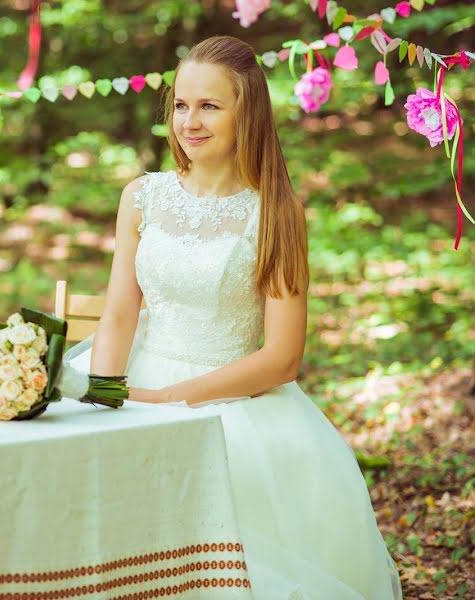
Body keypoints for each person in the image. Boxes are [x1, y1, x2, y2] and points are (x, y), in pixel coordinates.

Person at [69, 36, 402, 599]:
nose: (189, 122)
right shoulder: (142, 197)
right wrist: (106, 393)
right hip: (134, 382)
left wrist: (170, 402)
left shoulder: (275, 211)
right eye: (181, 105)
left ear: (247, 112)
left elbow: (283, 357)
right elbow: (122, 309)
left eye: (209, 106)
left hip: (232, 404)